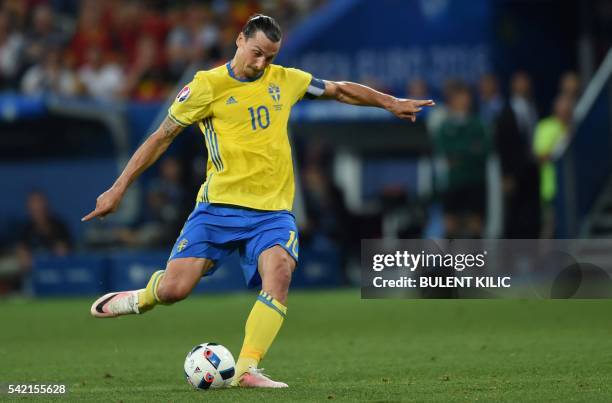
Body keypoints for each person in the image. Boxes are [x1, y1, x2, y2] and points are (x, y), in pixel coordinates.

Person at [82, 14, 433, 388]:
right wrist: (119, 187)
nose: (262, 63)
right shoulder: (206, 86)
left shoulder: (287, 80)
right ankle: (141, 298)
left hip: (272, 213)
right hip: (217, 208)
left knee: (279, 272)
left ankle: (247, 368)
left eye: (270, 56)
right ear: (239, 39)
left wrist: (389, 102)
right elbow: (161, 137)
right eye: (257, 53)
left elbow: (340, 89)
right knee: (174, 290)